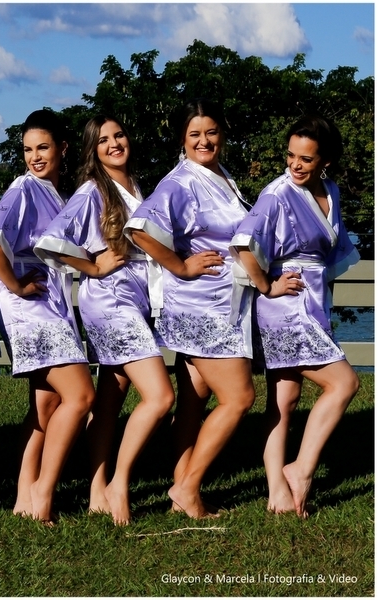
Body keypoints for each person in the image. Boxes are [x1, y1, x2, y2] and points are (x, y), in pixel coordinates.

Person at [35, 115, 175, 525]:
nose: (114, 144)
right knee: (160, 397)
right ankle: (118, 484)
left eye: (119, 135)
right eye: (103, 140)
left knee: (111, 399)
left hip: (134, 300)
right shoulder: (92, 190)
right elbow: (52, 240)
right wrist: (92, 266)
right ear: (92, 151)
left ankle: (95, 490)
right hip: (111, 302)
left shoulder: (134, 186)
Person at [124, 98, 256, 519]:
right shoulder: (181, 182)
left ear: (223, 134)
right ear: (182, 139)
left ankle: (183, 486)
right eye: (195, 134)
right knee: (239, 398)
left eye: (211, 132)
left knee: (195, 399)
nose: (205, 140)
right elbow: (140, 230)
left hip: (220, 303)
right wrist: (180, 265)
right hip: (202, 306)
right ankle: (187, 488)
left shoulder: (220, 175)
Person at [230, 115, 360, 517]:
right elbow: (244, 243)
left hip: (312, 300)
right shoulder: (276, 194)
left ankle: (278, 495)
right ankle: (301, 470)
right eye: (291, 155)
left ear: (325, 162)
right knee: (344, 384)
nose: (295, 165)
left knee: (283, 400)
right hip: (286, 303)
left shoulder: (332, 191)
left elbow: (331, 252)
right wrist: (266, 286)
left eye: (306, 158)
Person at [0, 109, 93, 524]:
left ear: (62, 147)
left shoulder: (58, 193)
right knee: (81, 396)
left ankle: (25, 495)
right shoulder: (24, 188)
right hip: (29, 304)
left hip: (50, 301)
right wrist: (15, 285)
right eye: (27, 149)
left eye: (42, 147)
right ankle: (43, 495)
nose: (34, 157)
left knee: (46, 405)